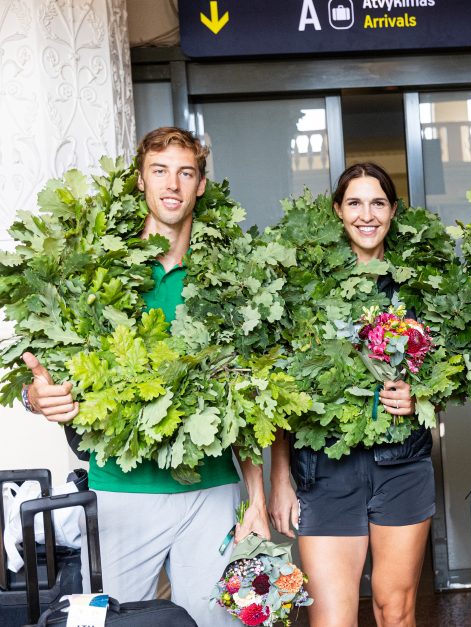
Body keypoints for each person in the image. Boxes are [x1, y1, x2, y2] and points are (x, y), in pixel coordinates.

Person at [21, 127, 269, 626]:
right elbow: (39, 374)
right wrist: (36, 397)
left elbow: (252, 394)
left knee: (220, 621)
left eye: (185, 172)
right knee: (113, 622)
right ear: (141, 181)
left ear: (200, 184)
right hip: (121, 490)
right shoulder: (96, 269)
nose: (172, 184)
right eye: (160, 171)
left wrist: (257, 502)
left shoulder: (230, 274)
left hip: (213, 490)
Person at [267, 163, 434, 627]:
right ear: (338, 210)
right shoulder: (303, 289)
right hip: (325, 469)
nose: (367, 214)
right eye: (355, 203)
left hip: (402, 465)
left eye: (378, 203)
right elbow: (282, 390)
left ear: (393, 211)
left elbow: (450, 371)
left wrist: (422, 399)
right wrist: (280, 479)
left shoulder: (420, 285)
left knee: (395, 610)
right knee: (331, 619)